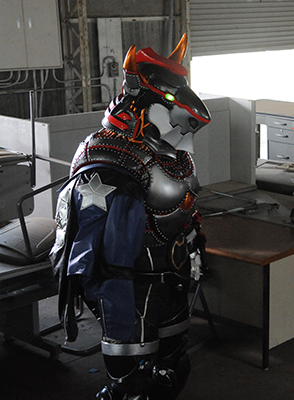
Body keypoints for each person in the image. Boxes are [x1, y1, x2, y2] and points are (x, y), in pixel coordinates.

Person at [50, 34, 212, 400]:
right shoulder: (109, 159)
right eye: (170, 95)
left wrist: (194, 253)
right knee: (130, 388)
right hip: (130, 291)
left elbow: (185, 214)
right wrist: (118, 319)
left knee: (173, 368)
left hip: (172, 279)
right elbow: (104, 260)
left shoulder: (170, 151)